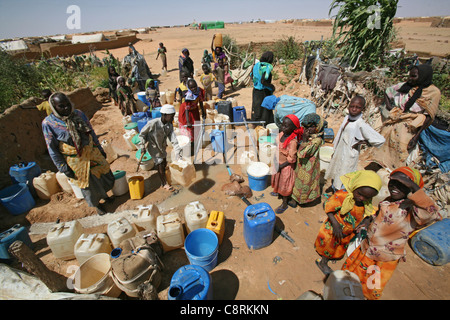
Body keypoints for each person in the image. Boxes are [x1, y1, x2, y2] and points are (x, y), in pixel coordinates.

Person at [342, 166, 442, 300]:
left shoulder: (411, 210)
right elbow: (379, 215)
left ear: (411, 188)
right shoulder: (388, 200)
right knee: (351, 278)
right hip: (367, 249)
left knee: (369, 289)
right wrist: (367, 221)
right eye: (393, 182)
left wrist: (413, 187)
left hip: (383, 258)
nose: (395, 187)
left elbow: (432, 213)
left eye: (403, 185)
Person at [42, 92, 114, 216]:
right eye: (61, 106)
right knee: (87, 184)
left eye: (67, 104)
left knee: (103, 174)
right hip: (75, 159)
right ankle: (97, 204)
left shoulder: (79, 114)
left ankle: (105, 195)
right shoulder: (49, 124)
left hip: (91, 152)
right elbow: (52, 149)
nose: (66, 108)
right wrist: (63, 167)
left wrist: (99, 148)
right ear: (54, 107)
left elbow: (91, 132)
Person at [364, 64, 441, 170]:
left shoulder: (432, 93)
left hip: (409, 126)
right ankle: (379, 167)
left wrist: (416, 136)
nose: (410, 78)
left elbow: (428, 117)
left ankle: (395, 172)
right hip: (395, 120)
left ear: (423, 76)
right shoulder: (405, 86)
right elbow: (388, 91)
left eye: (414, 76)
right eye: (410, 75)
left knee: (401, 150)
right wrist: (389, 106)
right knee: (382, 146)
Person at [315, 170, 382, 275]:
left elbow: (366, 213)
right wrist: (336, 225)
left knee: (341, 245)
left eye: (367, 197)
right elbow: (328, 207)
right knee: (331, 244)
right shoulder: (343, 196)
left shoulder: (365, 202)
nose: (362, 198)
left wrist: (365, 221)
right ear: (355, 186)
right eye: (359, 194)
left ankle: (333, 256)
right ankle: (323, 263)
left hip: (348, 231)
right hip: (335, 228)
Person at [325, 96, 385, 192]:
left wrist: (362, 142)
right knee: (337, 171)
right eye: (352, 106)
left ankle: (341, 195)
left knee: (345, 174)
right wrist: (335, 150)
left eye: (357, 107)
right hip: (340, 151)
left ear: (363, 109)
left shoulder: (360, 124)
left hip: (349, 154)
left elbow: (380, 140)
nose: (354, 109)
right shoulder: (347, 118)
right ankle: (335, 190)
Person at [139, 105, 183, 193]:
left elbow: (174, 140)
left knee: (164, 161)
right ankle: (164, 183)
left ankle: (163, 172)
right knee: (159, 163)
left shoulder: (169, 125)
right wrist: (142, 146)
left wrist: (178, 153)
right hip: (153, 147)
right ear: (164, 115)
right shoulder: (153, 123)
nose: (172, 119)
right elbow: (142, 134)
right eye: (171, 116)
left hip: (162, 146)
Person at [291, 113, 326, 207]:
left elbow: (303, 153)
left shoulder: (317, 140)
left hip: (309, 166)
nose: (307, 129)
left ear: (317, 127)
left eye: (311, 127)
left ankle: (303, 200)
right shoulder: (310, 136)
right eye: (306, 127)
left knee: (306, 183)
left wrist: (305, 140)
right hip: (301, 165)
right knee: (298, 181)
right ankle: (295, 198)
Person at [270, 114, 303, 214]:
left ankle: (284, 203)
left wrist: (281, 166)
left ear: (293, 128)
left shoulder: (292, 141)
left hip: (286, 166)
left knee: (285, 183)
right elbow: (277, 148)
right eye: (282, 125)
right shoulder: (281, 134)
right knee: (278, 179)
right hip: (278, 163)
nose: (283, 127)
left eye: (286, 126)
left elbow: (292, 158)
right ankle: (278, 191)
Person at [251, 51, 275, 126]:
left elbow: (251, 75)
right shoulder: (267, 67)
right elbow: (264, 80)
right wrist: (271, 87)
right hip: (264, 92)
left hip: (256, 91)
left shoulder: (256, 66)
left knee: (257, 108)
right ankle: (264, 127)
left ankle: (256, 126)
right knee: (265, 110)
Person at [178, 79, 206, 143]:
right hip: (186, 112)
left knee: (196, 124)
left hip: (194, 110)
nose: (194, 89)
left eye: (195, 86)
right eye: (191, 87)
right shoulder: (189, 96)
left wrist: (203, 112)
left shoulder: (199, 91)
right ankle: (189, 142)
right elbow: (187, 109)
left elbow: (200, 102)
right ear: (189, 88)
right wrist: (188, 121)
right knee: (188, 127)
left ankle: (195, 140)